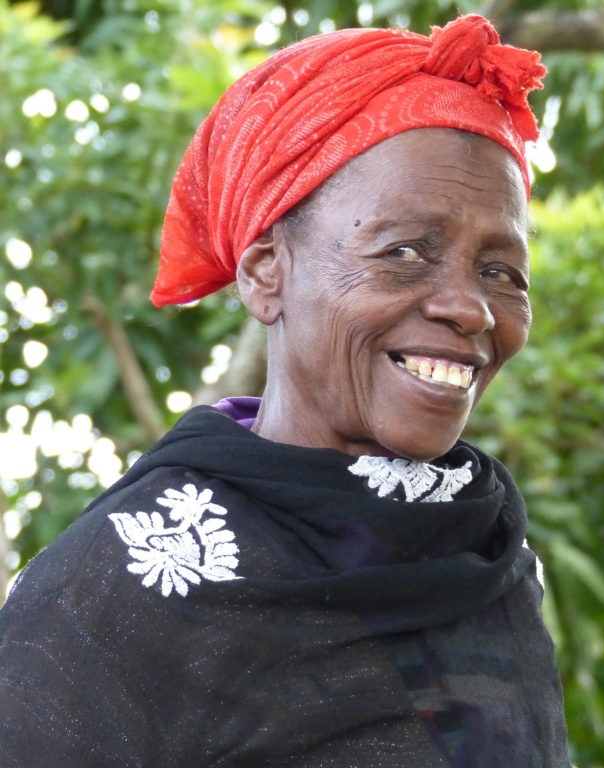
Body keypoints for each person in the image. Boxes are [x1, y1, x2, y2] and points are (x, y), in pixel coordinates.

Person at [0, 15, 569, 766]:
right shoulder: (117, 590)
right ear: (267, 272)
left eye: (501, 272)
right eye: (405, 252)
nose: (470, 308)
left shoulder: (488, 560)